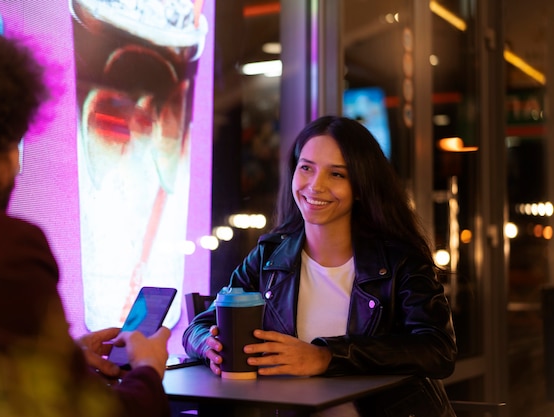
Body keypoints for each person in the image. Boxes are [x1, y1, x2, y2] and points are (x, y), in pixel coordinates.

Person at [0, 16, 170, 417]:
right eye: (15, 143)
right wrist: (147, 371)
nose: (16, 167)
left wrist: (58, 358)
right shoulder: (2, 248)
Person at [183, 115, 458, 416]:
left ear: (361, 185)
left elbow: (437, 350)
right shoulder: (269, 257)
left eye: (337, 174)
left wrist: (326, 357)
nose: (315, 186)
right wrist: (207, 346)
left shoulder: (400, 261)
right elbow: (200, 325)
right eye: (306, 168)